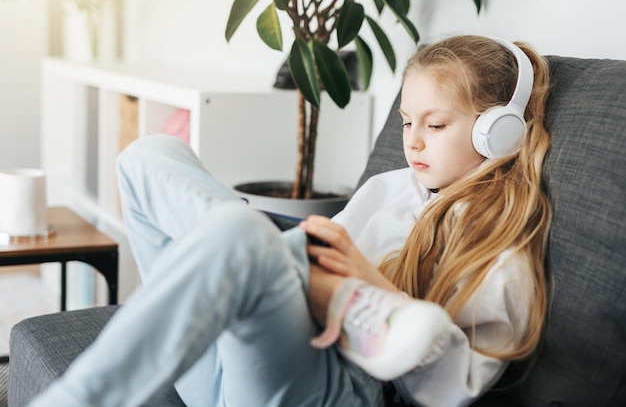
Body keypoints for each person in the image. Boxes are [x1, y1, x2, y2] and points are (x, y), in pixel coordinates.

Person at [31, 35, 552, 407]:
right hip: (231, 374)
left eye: (435, 125)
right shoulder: (390, 189)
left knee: (244, 235)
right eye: (407, 122)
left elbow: (449, 390)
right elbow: (316, 252)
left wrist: (372, 286)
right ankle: (315, 286)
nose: (412, 140)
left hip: (332, 386)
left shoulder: (499, 248)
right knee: (148, 154)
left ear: (497, 133)